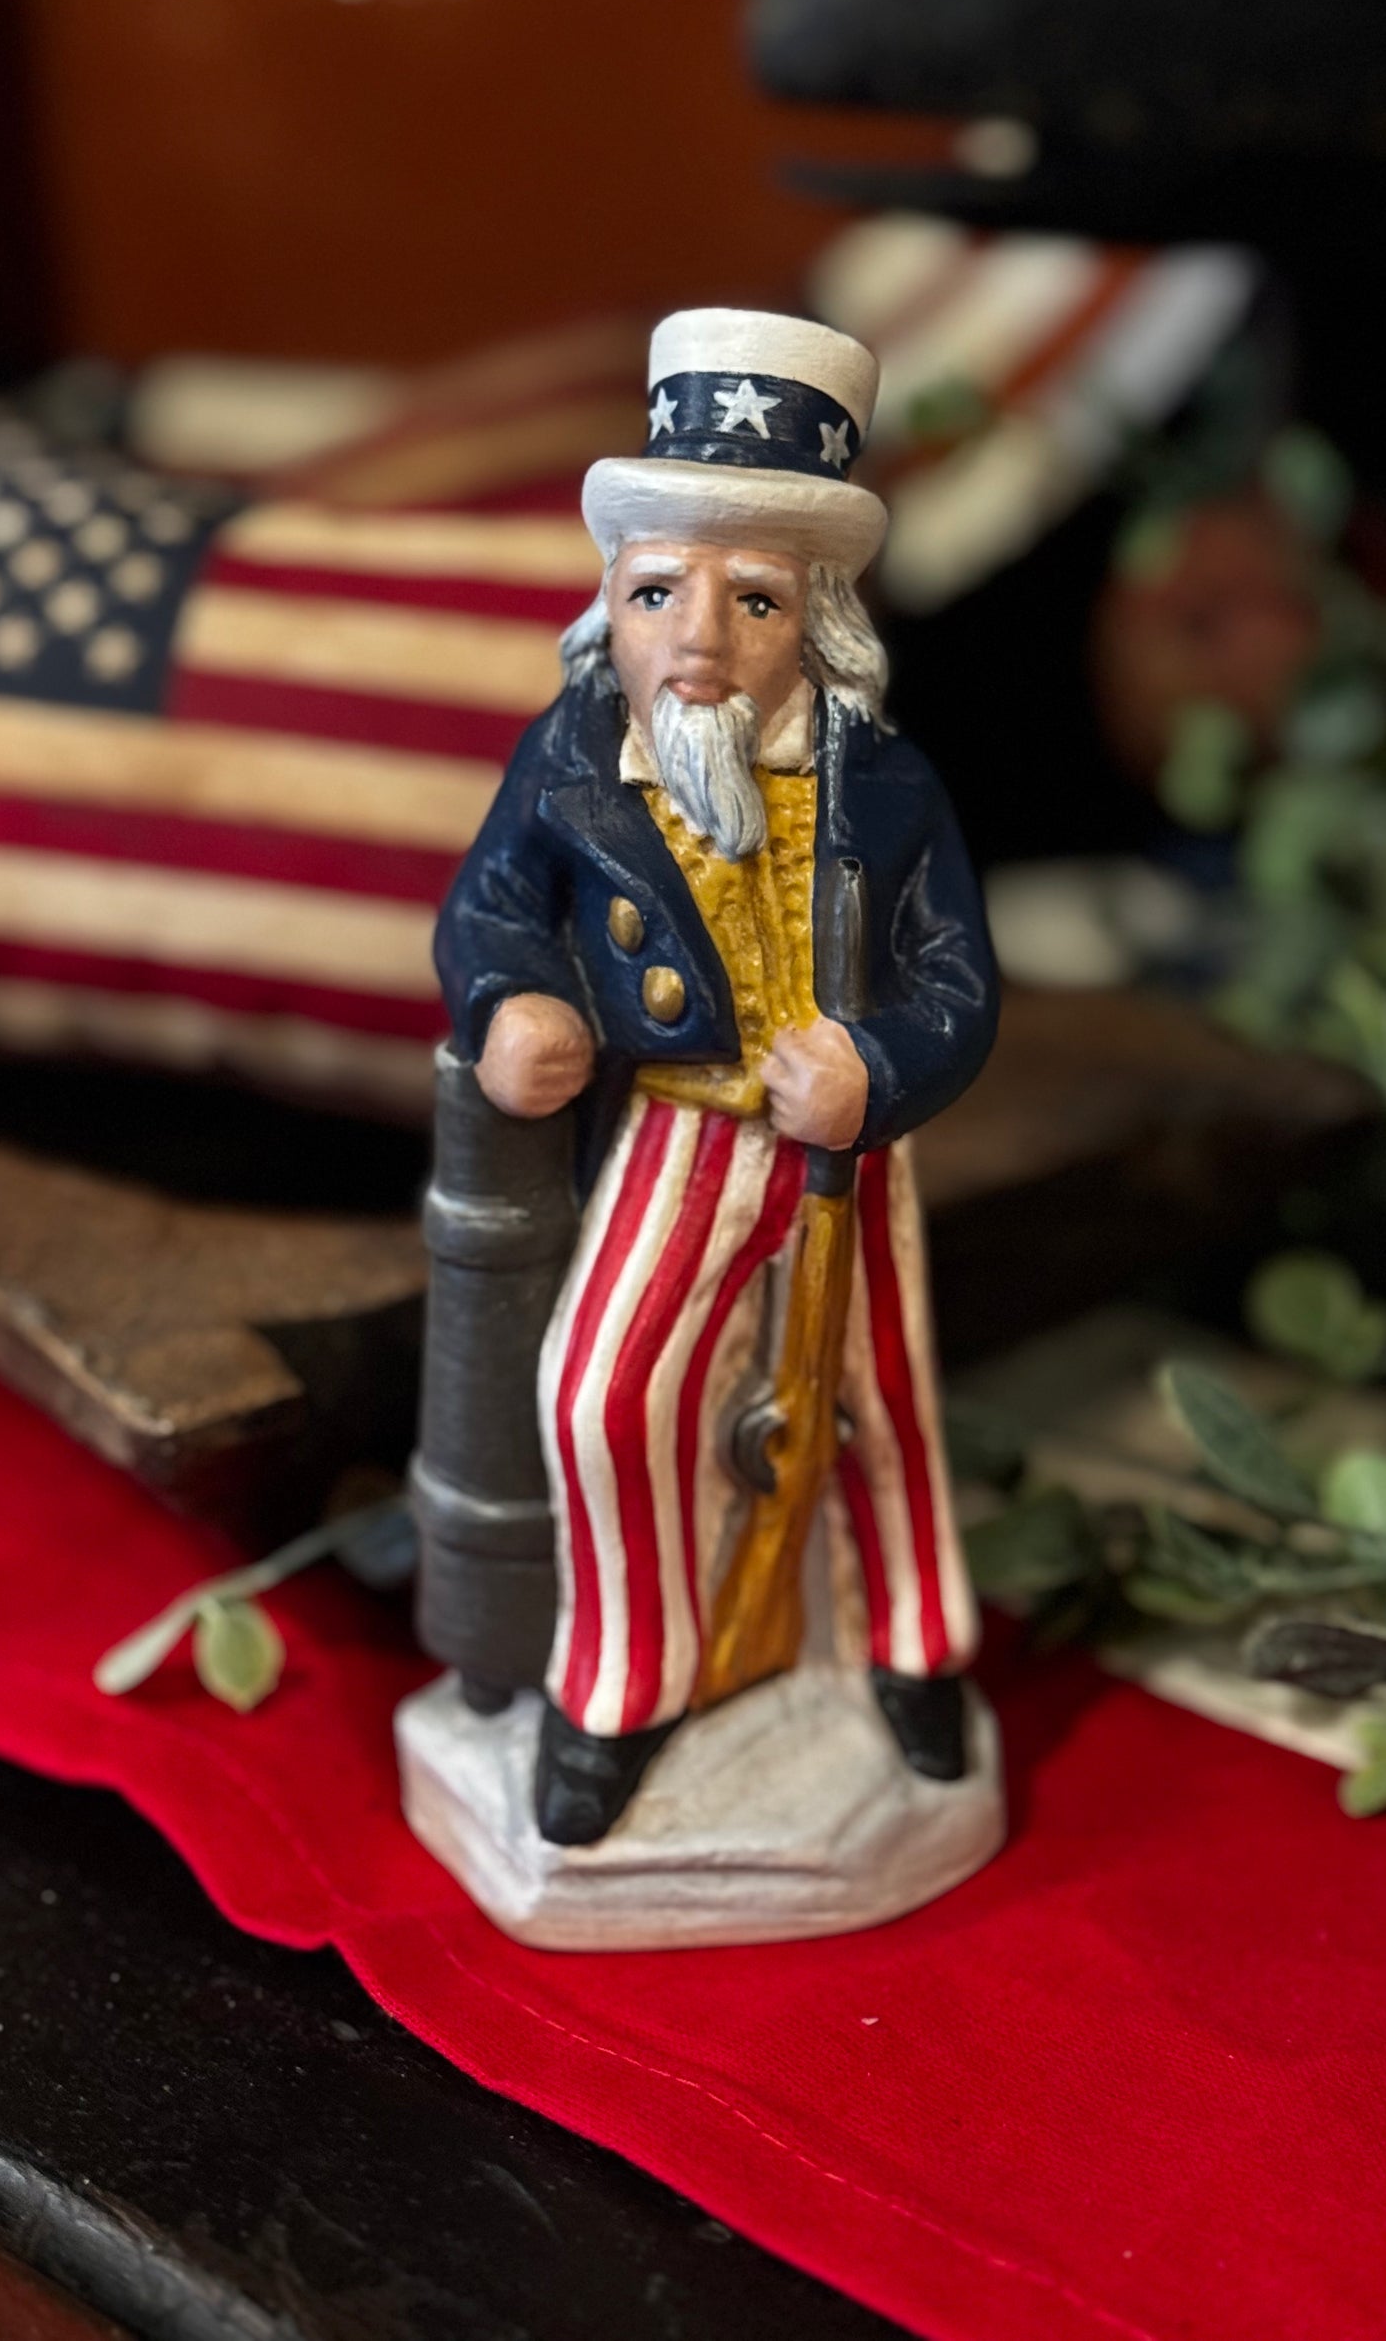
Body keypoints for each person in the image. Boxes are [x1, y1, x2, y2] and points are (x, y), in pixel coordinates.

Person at [435, 310, 999, 1845]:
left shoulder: (887, 784)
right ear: (609, 605)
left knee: (883, 1399)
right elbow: (490, 907)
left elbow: (958, 980)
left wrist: (876, 1064)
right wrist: (515, 1001)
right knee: (605, 1393)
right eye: (658, 592)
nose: (699, 638)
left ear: (816, 622)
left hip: (843, 1146)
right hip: (680, 1131)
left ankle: (910, 1640)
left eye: (751, 598)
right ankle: (627, 1682)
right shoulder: (569, 762)